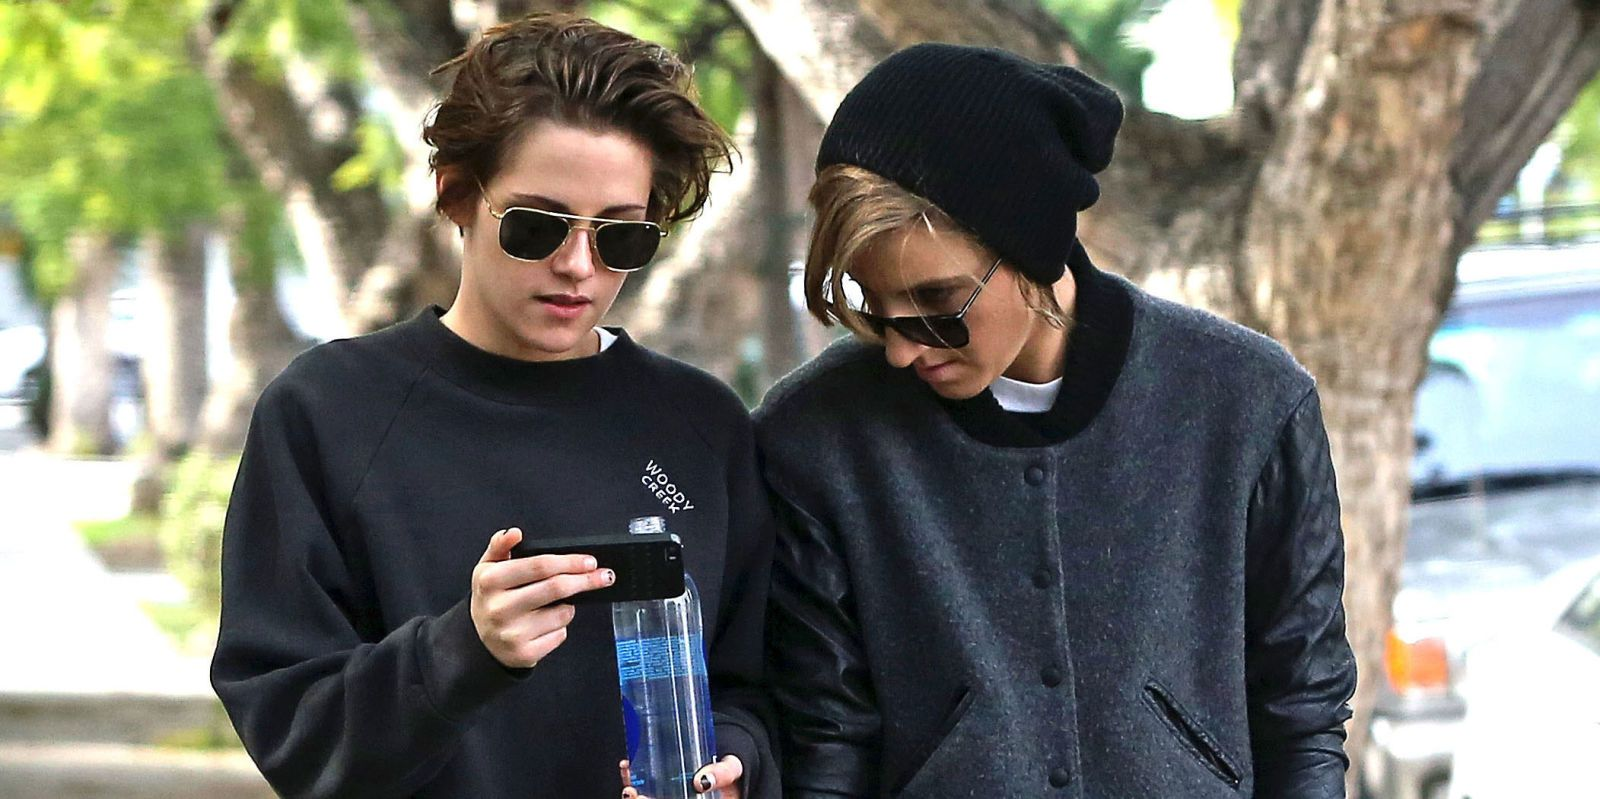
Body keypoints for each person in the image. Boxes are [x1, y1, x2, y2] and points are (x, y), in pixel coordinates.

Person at [756, 43, 1357, 797]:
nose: (903, 351)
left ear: (1032, 248)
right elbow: (826, 737)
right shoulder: (815, 437)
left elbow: (1302, 715)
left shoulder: (1250, 401)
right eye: (874, 309)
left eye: (938, 304)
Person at [211, 14, 777, 798]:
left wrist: (737, 761)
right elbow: (291, 730)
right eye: (539, 226)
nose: (578, 265)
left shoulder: (702, 425)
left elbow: (763, 687)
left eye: (621, 238)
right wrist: (462, 650)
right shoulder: (327, 413)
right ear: (456, 195)